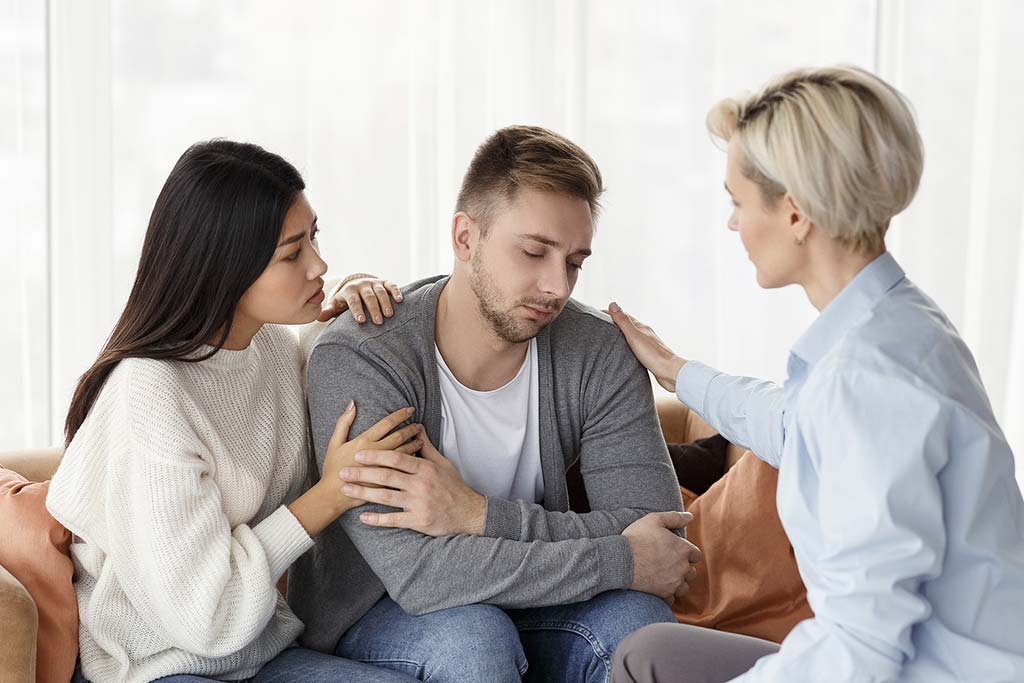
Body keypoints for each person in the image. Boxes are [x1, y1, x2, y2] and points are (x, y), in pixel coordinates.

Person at [607, 65, 1024, 682]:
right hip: (919, 652)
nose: (732, 224)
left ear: (796, 213)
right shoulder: (897, 325)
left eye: (738, 202)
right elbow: (792, 422)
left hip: (926, 668)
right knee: (648, 655)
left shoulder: (866, 378)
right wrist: (676, 370)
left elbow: (864, 648)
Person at [288, 125, 703, 682]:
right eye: (534, 252)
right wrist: (619, 557)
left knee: (642, 627)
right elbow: (420, 573)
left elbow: (661, 539)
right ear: (465, 238)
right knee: (475, 639)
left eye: (574, 262)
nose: (557, 286)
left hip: (539, 599)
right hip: (381, 611)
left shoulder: (600, 350)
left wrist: (478, 516)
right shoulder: (365, 353)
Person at [47, 140, 419, 683]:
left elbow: (315, 369)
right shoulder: (150, 393)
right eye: (292, 255)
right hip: (162, 666)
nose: (320, 263)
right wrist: (330, 495)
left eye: (314, 237)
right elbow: (208, 618)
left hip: (260, 651)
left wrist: (353, 300)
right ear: (224, 268)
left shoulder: (267, 348)